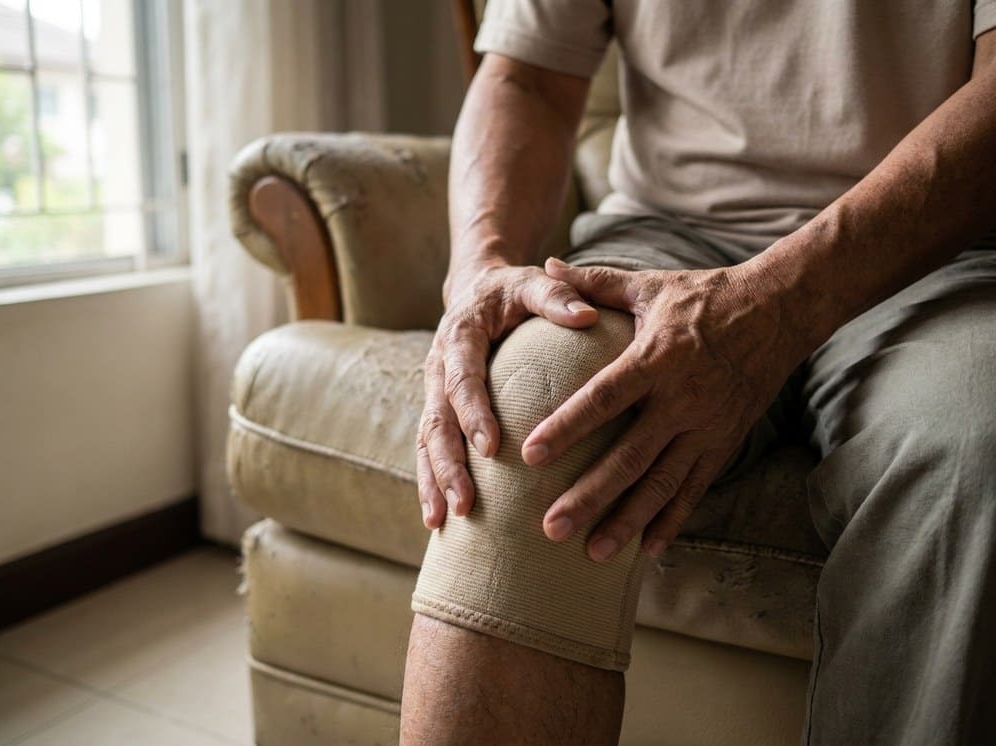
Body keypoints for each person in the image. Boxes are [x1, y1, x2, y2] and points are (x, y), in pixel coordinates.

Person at [401, 1, 996, 744]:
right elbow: (528, 79)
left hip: (938, 252)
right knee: (531, 405)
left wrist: (774, 305)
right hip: (665, 244)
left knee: (976, 444)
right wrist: (477, 274)